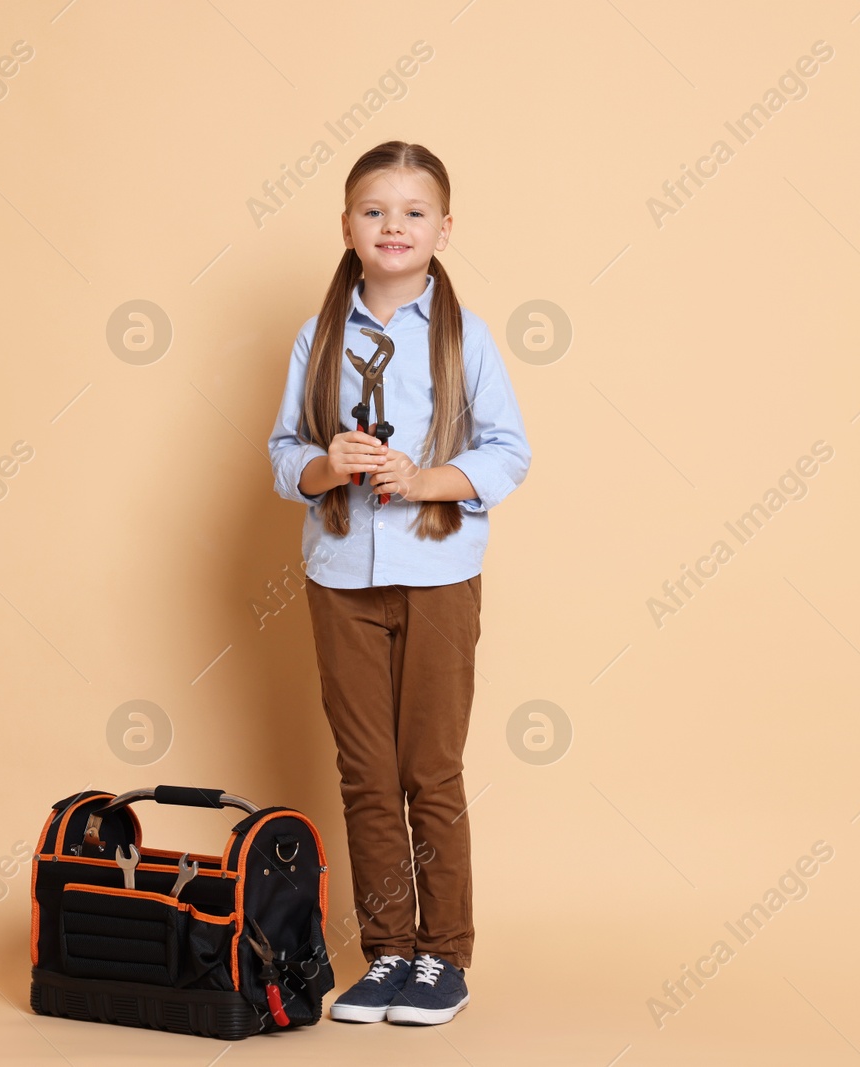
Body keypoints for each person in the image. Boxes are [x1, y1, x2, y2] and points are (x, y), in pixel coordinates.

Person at [265, 140, 531, 1026]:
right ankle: (387, 952)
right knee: (366, 771)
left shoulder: (466, 337)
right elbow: (281, 459)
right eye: (375, 211)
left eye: (413, 213)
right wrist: (324, 464)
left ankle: (443, 956)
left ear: (443, 230)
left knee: (430, 769)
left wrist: (424, 480)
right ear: (347, 226)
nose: (393, 226)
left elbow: (509, 453)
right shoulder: (320, 334)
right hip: (341, 576)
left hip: (438, 575)